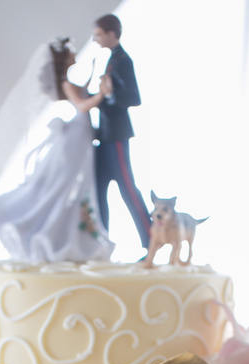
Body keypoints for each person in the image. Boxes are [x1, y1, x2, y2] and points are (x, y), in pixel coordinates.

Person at [0, 40, 114, 263]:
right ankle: (38, 230)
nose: (75, 54)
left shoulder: (71, 82)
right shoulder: (67, 84)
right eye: (71, 52)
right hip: (75, 138)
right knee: (63, 186)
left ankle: (65, 233)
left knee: (75, 186)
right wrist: (101, 94)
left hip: (81, 137)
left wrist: (95, 68)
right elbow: (83, 105)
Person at [92, 13, 152, 251]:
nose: (95, 39)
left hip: (116, 136)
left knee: (127, 187)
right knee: (98, 190)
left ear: (110, 33)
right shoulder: (111, 59)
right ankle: (101, 244)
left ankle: (150, 241)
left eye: (98, 34)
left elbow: (132, 98)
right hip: (105, 136)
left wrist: (108, 95)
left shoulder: (123, 60)